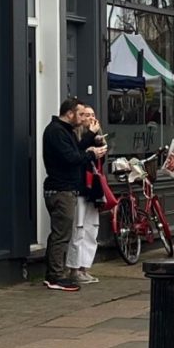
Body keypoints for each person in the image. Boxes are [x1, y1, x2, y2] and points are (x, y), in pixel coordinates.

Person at [40, 98, 89, 292]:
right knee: (61, 234)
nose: (83, 118)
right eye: (80, 114)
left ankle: (53, 274)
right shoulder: (56, 131)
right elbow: (71, 158)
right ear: (70, 113)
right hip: (61, 190)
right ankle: (55, 276)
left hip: (63, 189)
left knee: (60, 233)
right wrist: (91, 154)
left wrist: (90, 140)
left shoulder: (64, 131)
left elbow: (75, 151)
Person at [69, 102, 107, 282]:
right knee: (79, 228)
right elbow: (76, 156)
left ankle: (85, 266)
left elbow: (100, 164)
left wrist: (99, 146)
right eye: (86, 115)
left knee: (92, 228)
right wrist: (90, 148)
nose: (90, 118)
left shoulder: (95, 136)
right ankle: (74, 268)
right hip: (80, 186)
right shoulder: (75, 135)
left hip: (94, 188)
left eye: (92, 115)